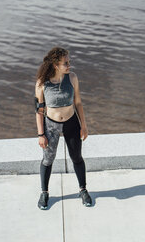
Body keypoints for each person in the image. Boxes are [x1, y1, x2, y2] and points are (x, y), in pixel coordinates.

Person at [34, 47, 92, 210]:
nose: (69, 65)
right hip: (51, 125)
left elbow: (78, 103)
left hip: (71, 123)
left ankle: (83, 190)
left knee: (77, 158)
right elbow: (39, 111)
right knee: (48, 159)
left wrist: (84, 126)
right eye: (65, 63)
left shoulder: (72, 78)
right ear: (55, 65)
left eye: (69, 62)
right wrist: (41, 134)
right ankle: (44, 193)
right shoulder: (41, 83)